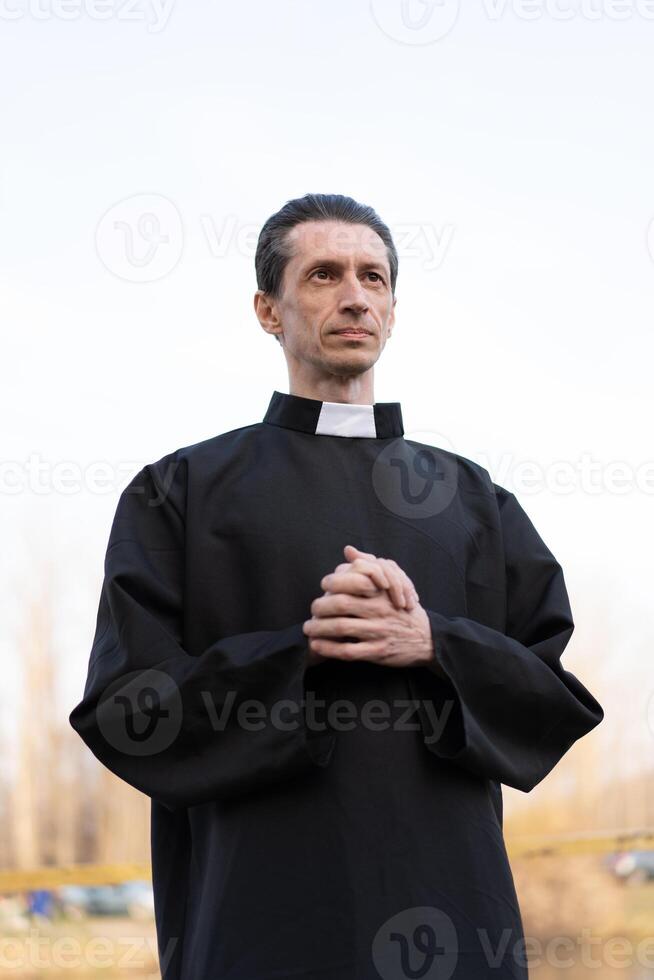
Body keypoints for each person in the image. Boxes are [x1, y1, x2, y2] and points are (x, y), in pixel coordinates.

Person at [69, 192, 604, 980]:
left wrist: (435, 644)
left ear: (392, 308)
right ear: (267, 309)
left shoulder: (474, 500)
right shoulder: (179, 491)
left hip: (454, 919)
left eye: (374, 278)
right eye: (323, 274)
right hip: (259, 920)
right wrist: (302, 653)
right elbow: (125, 710)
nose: (355, 296)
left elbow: (552, 699)